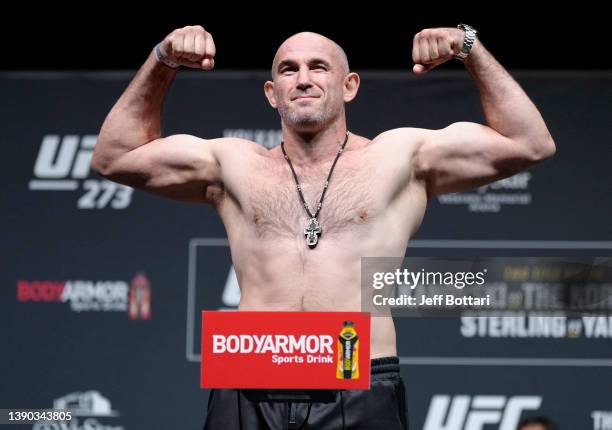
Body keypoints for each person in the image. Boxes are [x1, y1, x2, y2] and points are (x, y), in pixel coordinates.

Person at [91, 24, 556, 430]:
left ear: (350, 85)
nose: (305, 79)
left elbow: (529, 143)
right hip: (249, 380)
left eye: (319, 67)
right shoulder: (231, 164)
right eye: (288, 70)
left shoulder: (400, 157)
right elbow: (114, 156)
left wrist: (468, 48)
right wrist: (162, 61)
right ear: (272, 93)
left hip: (361, 380)